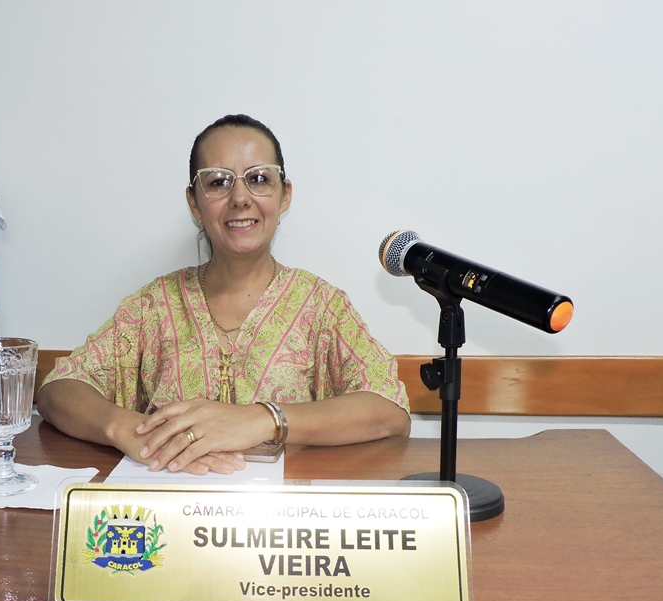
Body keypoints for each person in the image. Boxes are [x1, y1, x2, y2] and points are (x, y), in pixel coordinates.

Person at [38, 114, 409, 475]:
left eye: (259, 179)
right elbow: (58, 389)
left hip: (281, 512)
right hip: (173, 506)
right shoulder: (153, 306)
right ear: (194, 202)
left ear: (284, 195)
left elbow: (389, 410)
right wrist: (129, 431)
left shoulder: (321, 306)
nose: (240, 198)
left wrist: (264, 420)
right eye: (218, 182)